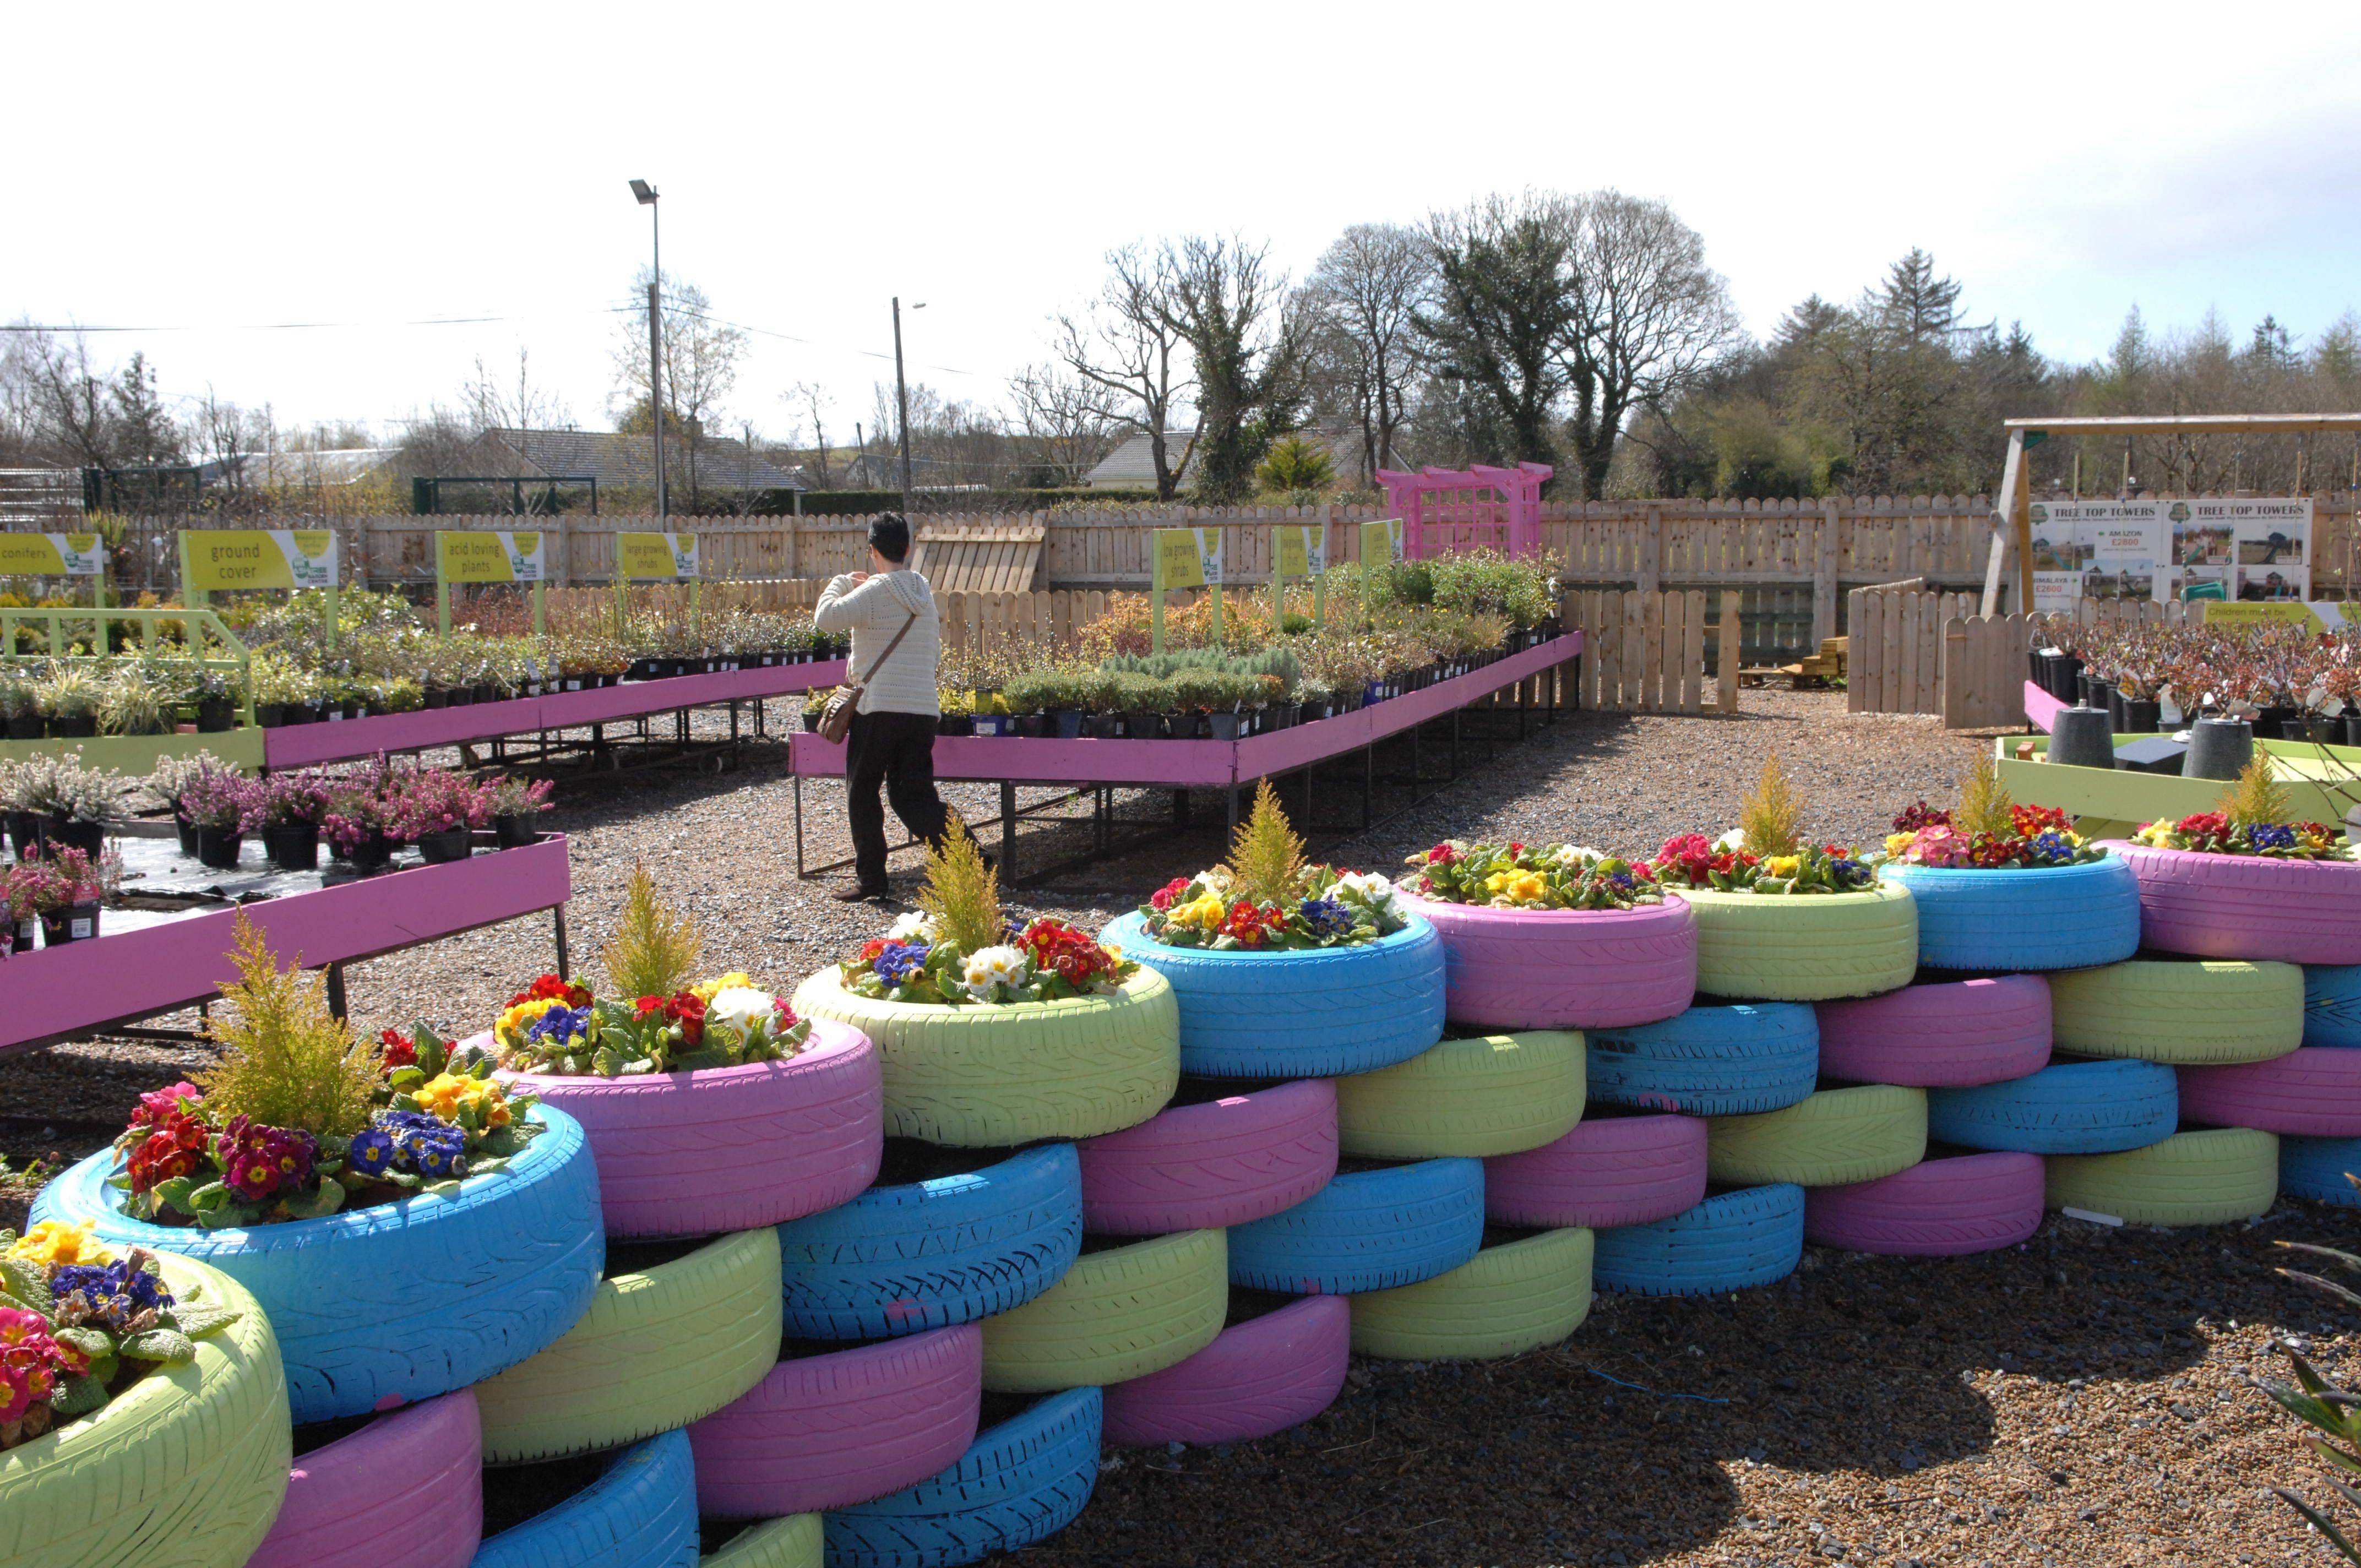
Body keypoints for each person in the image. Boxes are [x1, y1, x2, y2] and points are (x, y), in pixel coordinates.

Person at [814, 514, 951, 901]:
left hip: (878, 709)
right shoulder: (923, 591)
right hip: (923, 709)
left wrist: (841, 582)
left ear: (872, 550)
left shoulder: (872, 593)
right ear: (908, 549)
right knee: (914, 797)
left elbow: (825, 619)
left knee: (863, 793)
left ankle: (873, 882)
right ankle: (972, 863)